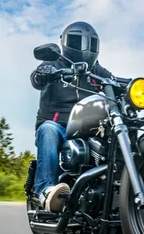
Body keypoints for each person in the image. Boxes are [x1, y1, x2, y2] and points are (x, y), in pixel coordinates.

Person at [30, 21, 114, 212]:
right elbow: (36, 79)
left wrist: (143, 87)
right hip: (58, 126)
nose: (84, 46)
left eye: (90, 42)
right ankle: (46, 191)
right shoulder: (53, 63)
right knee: (48, 130)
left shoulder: (96, 71)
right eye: (78, 41)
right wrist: (43, 73)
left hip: (86, 128)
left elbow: (115, 81)